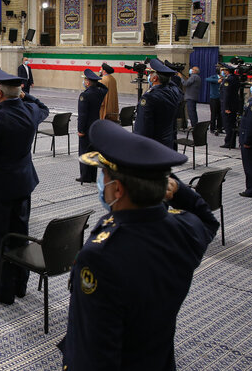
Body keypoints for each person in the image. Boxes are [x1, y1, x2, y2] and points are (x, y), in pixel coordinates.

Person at [61, 119, 219, 371]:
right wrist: (176, 189)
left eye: (103, 174)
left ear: (117, 189)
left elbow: (93, 353)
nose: (100, 180)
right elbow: (208, 221)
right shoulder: (183, 230)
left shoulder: (100, 256)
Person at [0, 69, 49, 304]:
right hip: (23, 184)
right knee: (20, 236)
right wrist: (25, 96)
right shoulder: (30, 111)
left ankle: (2, 291)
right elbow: (44, 108)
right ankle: (20, 285)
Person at [134, 59, 181, 149]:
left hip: (153, 146)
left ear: (155, 78)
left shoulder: (149, 97)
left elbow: (143, 126)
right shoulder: (173, 92)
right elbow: (175, 83)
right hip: (167, 143)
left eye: (151, 73)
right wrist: (167, 77)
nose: (149, 76)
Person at [77, 69, 108, 183]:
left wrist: (80, 129)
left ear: (88, 82)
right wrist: (97, 81)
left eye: (85, 79)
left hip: (86, 127)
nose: (84, 82)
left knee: (84, 151)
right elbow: (106, 88)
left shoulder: (85, 95)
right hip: (95, 126)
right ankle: (92, 176)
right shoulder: (99, 92)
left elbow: (83, 115)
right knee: (93, 152)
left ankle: (85, 176)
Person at [219, 63, 240, 148]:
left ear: (227, 71)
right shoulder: (235, 78)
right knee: (231, 124)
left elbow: (227, 94)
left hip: (228, 105)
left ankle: (229, 142)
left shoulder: (228, 80)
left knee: (228, 125)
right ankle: (231, 141)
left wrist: (226, 107)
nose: (223, 72)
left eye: (224, 70)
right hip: (233, 104)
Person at [205, 67, 223, 135]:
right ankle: (212, 128)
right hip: (214, 98)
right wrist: (217, 81)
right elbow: (207, 79)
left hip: (221, 98)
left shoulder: (225, 78)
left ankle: (219, 128)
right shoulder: (214, 77)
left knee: (220, 114)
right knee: (213, 114)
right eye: (222, 70)